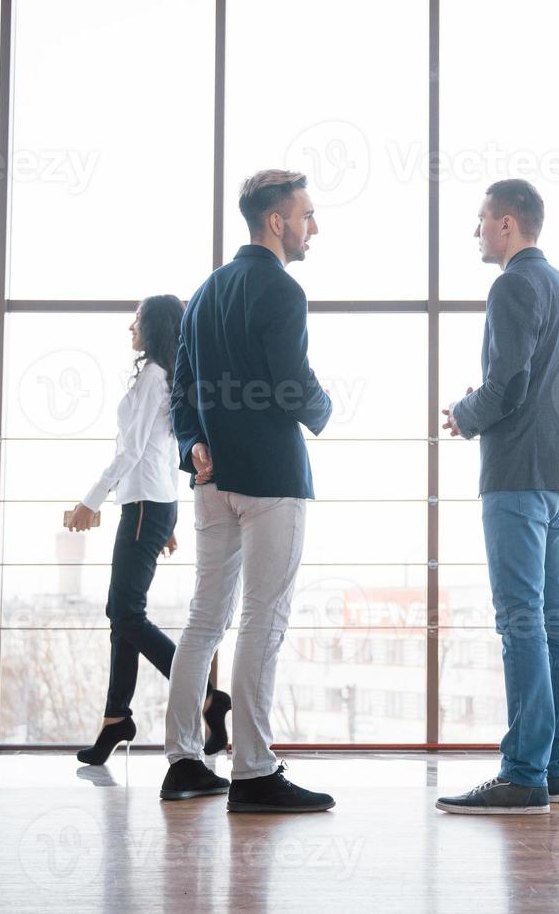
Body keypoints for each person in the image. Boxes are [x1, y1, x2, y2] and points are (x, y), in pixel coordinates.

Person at [158, 169, 336, 813]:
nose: (313, 227)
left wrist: (191, 444)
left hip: (212, 479)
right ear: (276, 222)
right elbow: (293, 386)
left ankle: (184, 762)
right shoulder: (283, 292)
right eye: (307, 216)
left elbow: (179, 391)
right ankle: (255, 772)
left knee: (205, 618)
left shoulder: (204, 294)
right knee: (264, 619)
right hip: (269, 480)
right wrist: (324, 410)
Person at [436, 179, 559, 815]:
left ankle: (523, 772)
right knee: (556, 615)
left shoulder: (512, 285)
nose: (475, 232)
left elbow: (505, 387)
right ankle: (554, 765)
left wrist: (461, 414)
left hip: (517, 471)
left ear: (507, 224)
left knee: (521, 618)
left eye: (480, 221)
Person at [65, 294, 232, 767]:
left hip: (144, 508)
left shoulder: (157, 377)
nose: (129, 327)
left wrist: (89, 501)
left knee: (125, 613)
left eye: (136, 320)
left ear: (154, 326)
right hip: (149, 506)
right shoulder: (157, 375)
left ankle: (204, 696)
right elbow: (156, 448)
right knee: (123, 615)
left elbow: (133, 449)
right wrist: (165, 522)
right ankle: (116, 718)